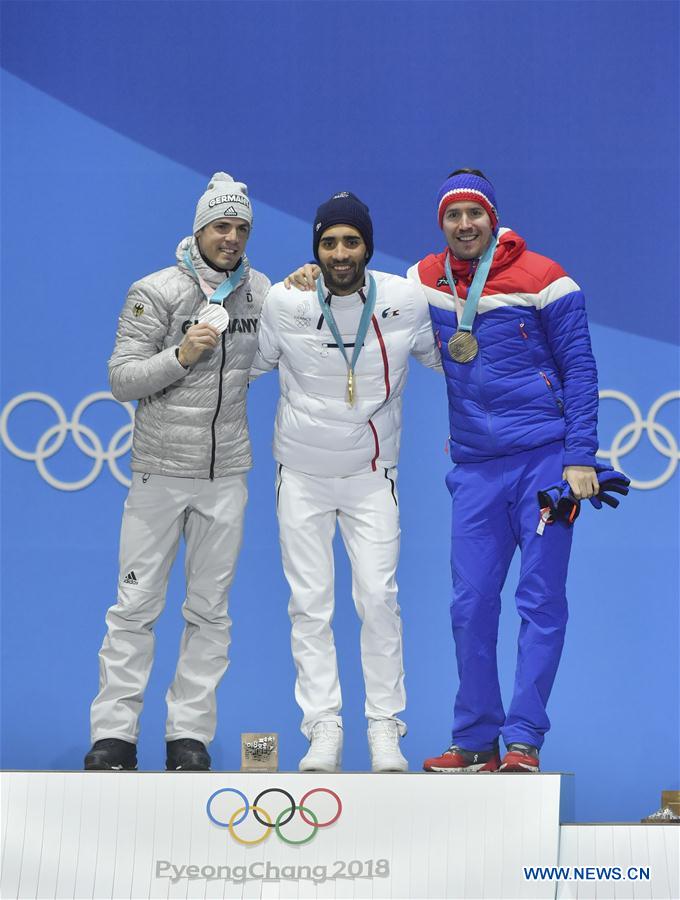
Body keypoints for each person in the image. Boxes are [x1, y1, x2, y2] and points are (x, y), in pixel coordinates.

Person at [286, 170, 600, 773]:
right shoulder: (421, 281)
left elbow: (580, 369)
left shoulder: (547, 279)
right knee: (471, 605)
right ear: (441, 224)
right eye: (452, 216)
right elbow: (359, 296)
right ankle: (476, 738)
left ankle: (524, 741)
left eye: (473, 214)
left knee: (539, 603)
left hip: (543, 461)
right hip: (476, 467)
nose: (464, 225)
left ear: (492, 218)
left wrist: (580, 455)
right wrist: (306, 280)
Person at [84, 172, 270, 772]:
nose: (232, 237)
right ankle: (114, 734)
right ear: (199, 229)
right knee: (134, 608)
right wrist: (182, 355)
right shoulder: (156, 290)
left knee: (210, 613)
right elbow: (120, 378)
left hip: (226, 478)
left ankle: (187, 735)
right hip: (159, 474)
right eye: (222, 225)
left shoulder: (259, 293)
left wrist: (306, 283)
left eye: (241, 227)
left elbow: (288, 340)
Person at [251, 191, 441, 773]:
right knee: (310, 606)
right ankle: (323, 730)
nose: (339, 253)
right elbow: (249, 363)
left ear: (367, 246)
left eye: (350, 241)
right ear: (315, 248)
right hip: (301, 477)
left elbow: (453, 359)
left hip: (369, 477)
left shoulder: (406, 301)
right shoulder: (285, 300)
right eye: (328, 243)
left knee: (379, 600)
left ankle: (385, 728)